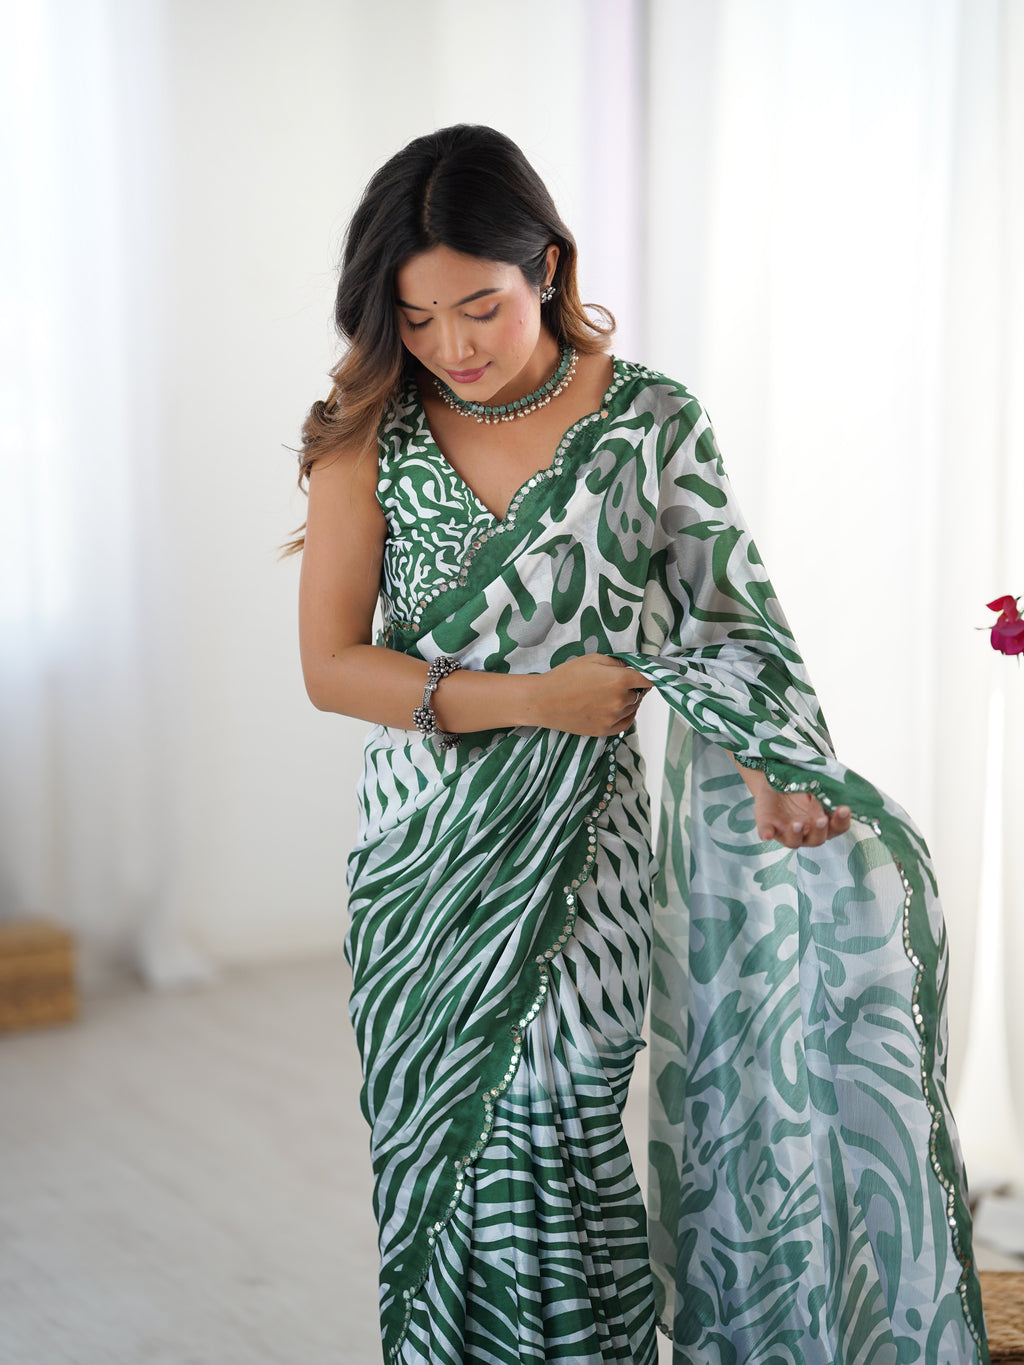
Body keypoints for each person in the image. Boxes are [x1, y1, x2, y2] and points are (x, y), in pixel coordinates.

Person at [293, 125, 989, 1365]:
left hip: (589, 842)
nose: (451, 345)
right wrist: (532, 698)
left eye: (480, 308)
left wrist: (777, 766)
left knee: (562, 1114)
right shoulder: (367, 433)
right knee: (447, 1149)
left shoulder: (651, 419)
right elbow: (332, 668)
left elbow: (730, 622)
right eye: (414, 319)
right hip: (421, 853)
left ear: (547, 268)